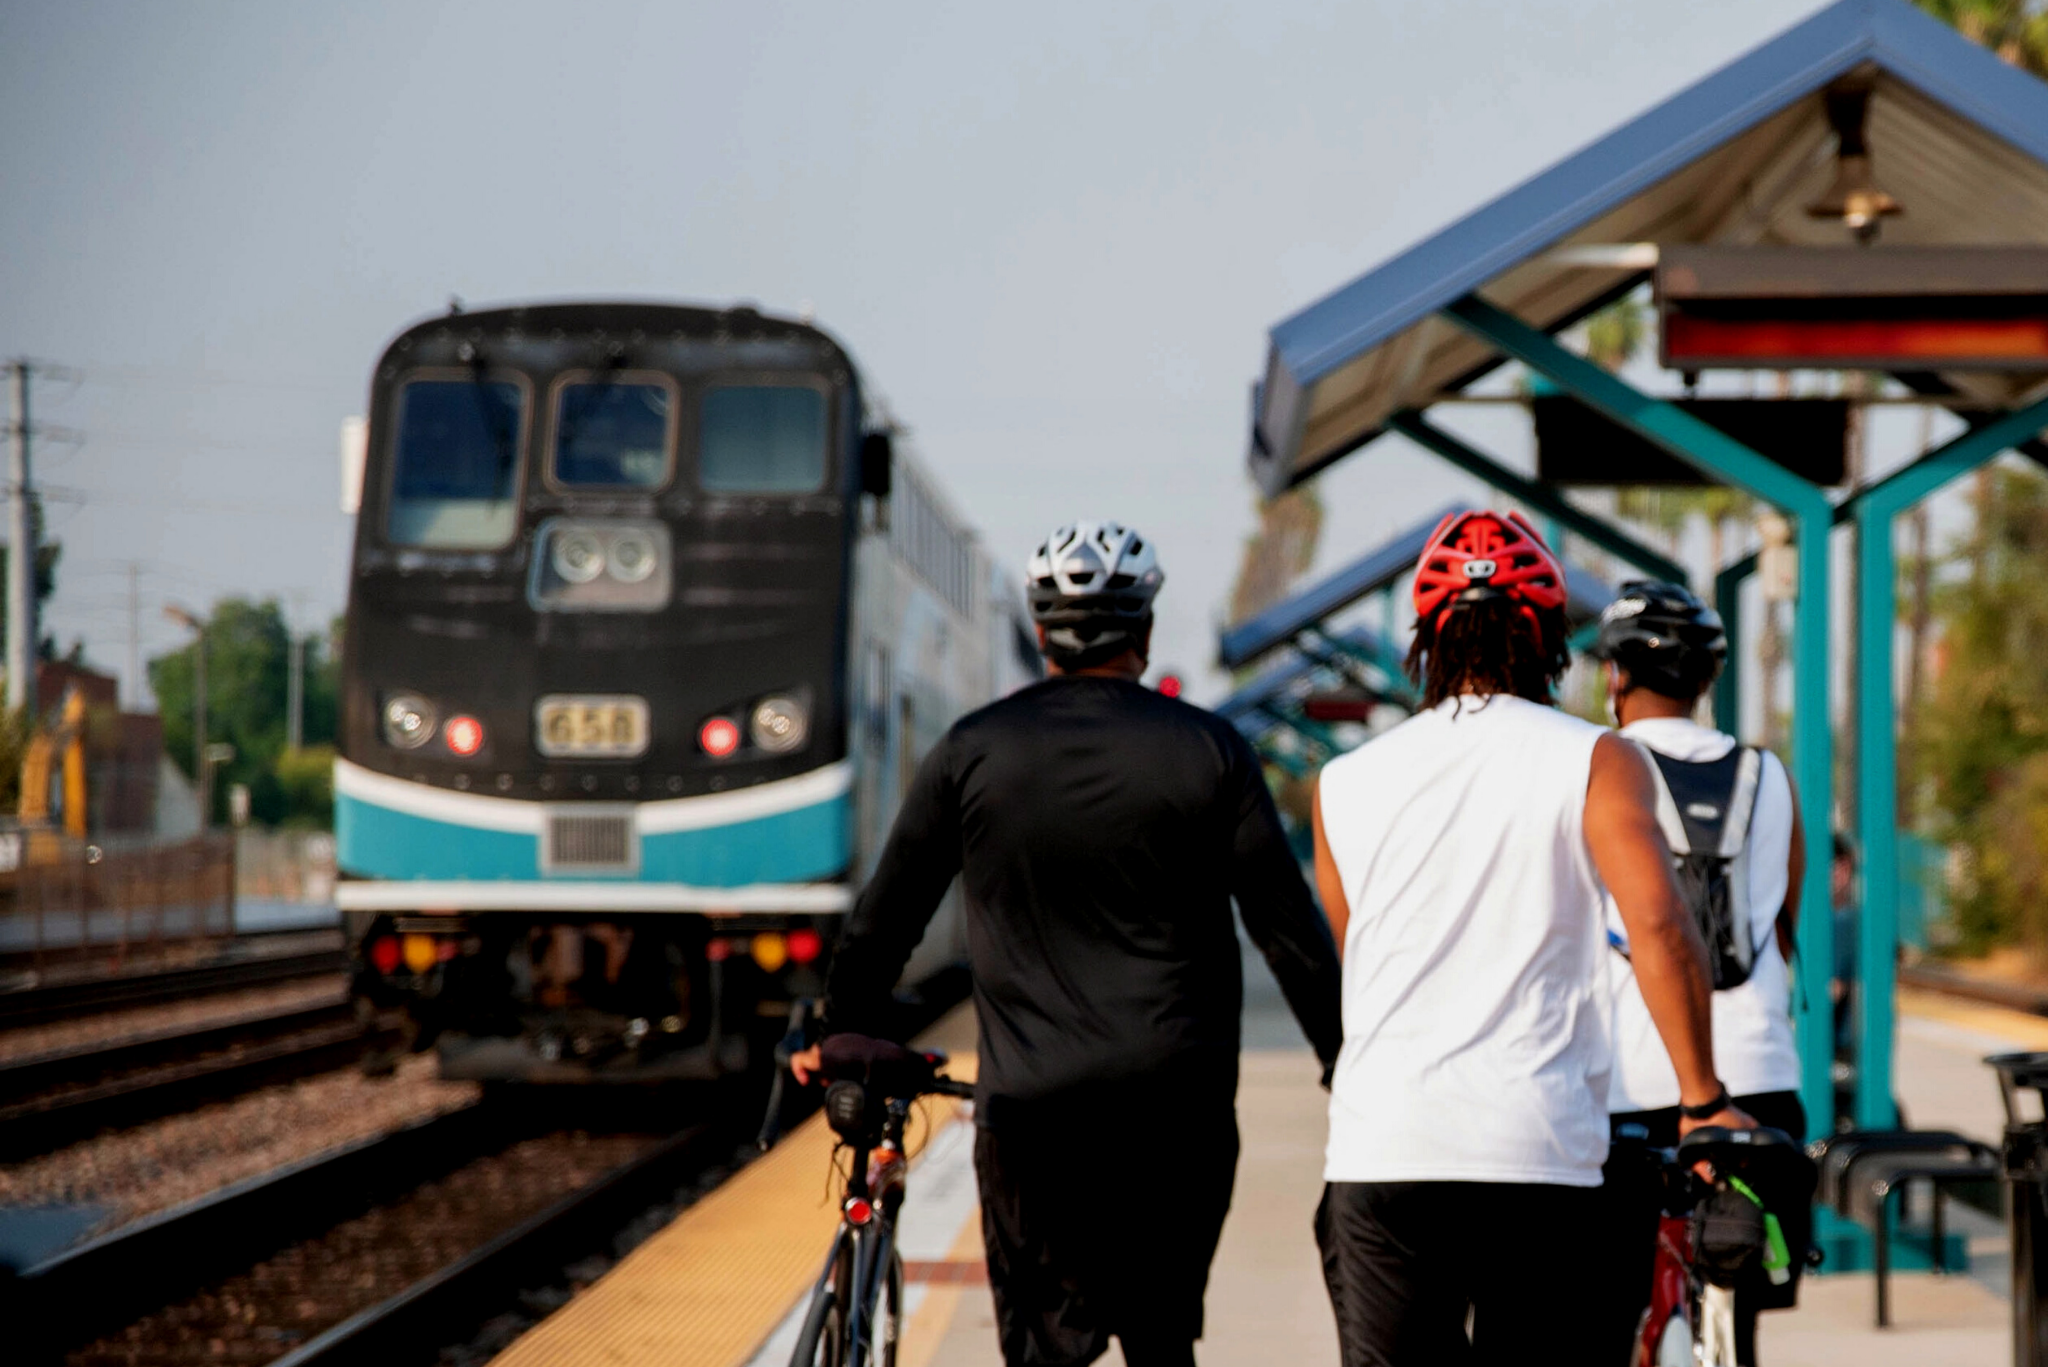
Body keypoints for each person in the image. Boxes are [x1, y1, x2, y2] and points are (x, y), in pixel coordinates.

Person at [796, 520, 1344, 1367]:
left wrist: (839, 1033)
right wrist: (1348, 1063)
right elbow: (1290, 936)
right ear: (1146, 631)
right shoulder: (1211, 751)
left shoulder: (972, 751)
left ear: (1041, 632)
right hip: (1178, 1118)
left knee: (1044, 1352)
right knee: (1162, 1339)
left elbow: (884, 922)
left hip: (1032, 1119)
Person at [1309, 510, 1747, 1366]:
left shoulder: (1342, 781)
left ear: (1427, 640)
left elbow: (1357, 954)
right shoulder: (1597, 757)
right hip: (1535, 1152)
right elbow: (1659, 923)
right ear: (1549, 636)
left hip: (1383, 1149)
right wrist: (1701, 1096)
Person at [1589, 580, 1806, 1365]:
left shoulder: (1599, 770)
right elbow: (1784, 919)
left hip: (1632, 1087)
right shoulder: (1769, 774)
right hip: (1759, 1082)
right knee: (1737, 1273)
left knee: (1610, 1303)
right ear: (1706, 679)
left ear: (1615, 677)